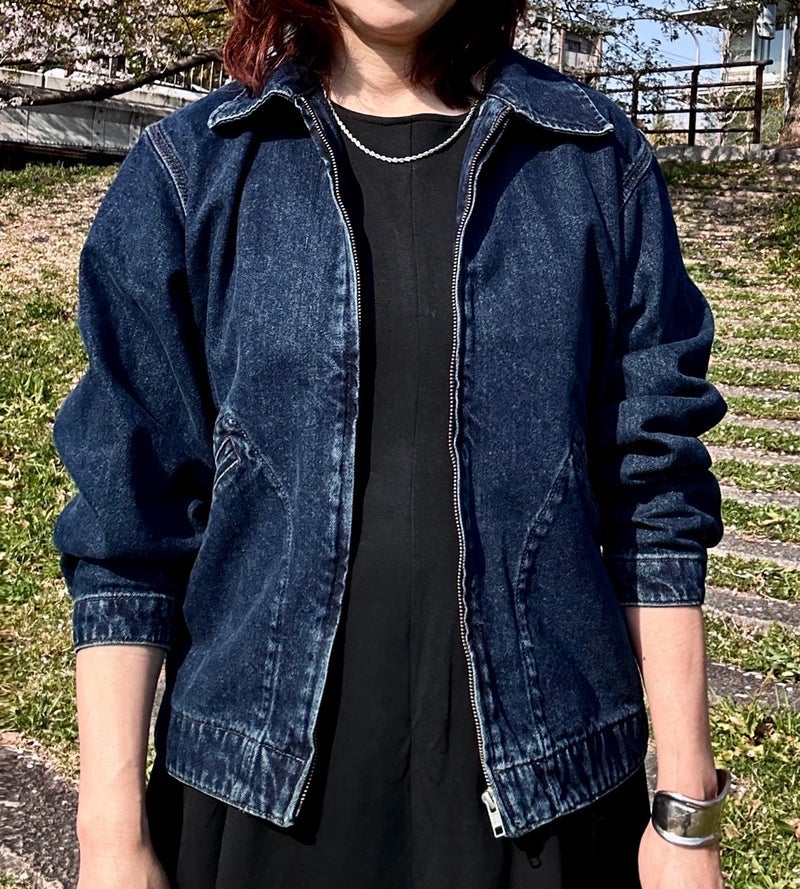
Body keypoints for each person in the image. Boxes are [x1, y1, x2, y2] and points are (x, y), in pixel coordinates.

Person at [52, 1, 731, 887]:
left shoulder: (594, 163)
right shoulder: (193, 170)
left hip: (549, 802)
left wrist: (687, 818)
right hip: (258, 801)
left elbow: (655, 497)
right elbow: (126, 524)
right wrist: (110, 834)